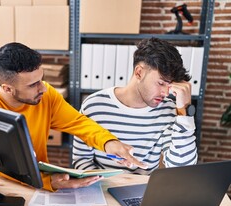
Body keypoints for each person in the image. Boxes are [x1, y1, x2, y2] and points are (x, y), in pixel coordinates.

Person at [0, 42, 146, 192]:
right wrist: (46, 182)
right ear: (7, 89)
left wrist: (109, 143)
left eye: (41, 79)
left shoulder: (47, 95)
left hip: (38, 185)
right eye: (33, 84)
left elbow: (78, 122)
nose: (43, 88)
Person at [72, 37, 197, 174]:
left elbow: (181, 169)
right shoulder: (94, 105)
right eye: (161, 83)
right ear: (139, 72)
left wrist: (184, 113)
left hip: (144, 192)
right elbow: (81, 160)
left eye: (170, 85)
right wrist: (102, 187)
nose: (166, 93)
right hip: (99, 188)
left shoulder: (169, 110)